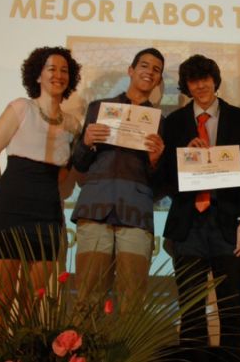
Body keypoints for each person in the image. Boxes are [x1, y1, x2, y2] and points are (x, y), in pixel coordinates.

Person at [161, 54, 240, 362]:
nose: (200, 85)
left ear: (215, 80)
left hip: (227, 221)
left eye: (205, 78)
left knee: (232, 308)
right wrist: (184, 158)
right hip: (187, 225)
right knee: (190, 308)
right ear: (186, 85)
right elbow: (164, 180)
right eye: (193, 80)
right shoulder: (174, 122)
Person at [0, 46, 82, 334]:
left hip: (47, 216)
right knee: (1, 301)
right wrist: (1, 198)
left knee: (31, 304)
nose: (58, 75)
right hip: (7, 212)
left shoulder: (73, 124)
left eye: (64, 70)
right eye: (51, 68)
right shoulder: (20, 107)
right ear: (37, 74)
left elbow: (65, 175)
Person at [70, 48, 165, 309]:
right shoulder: (99, 108)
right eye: (144, 65)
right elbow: (79, 163)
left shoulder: (160, 122)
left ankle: (125, 352)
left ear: (158, 80)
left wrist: (156, 160)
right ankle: (81, 351)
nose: (149, 72)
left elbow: (161, 185)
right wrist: (87, 142)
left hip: (136, 213)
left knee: (131, 301)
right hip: (95, 208)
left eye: (156, 70)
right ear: (131, 70)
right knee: (87, 297)